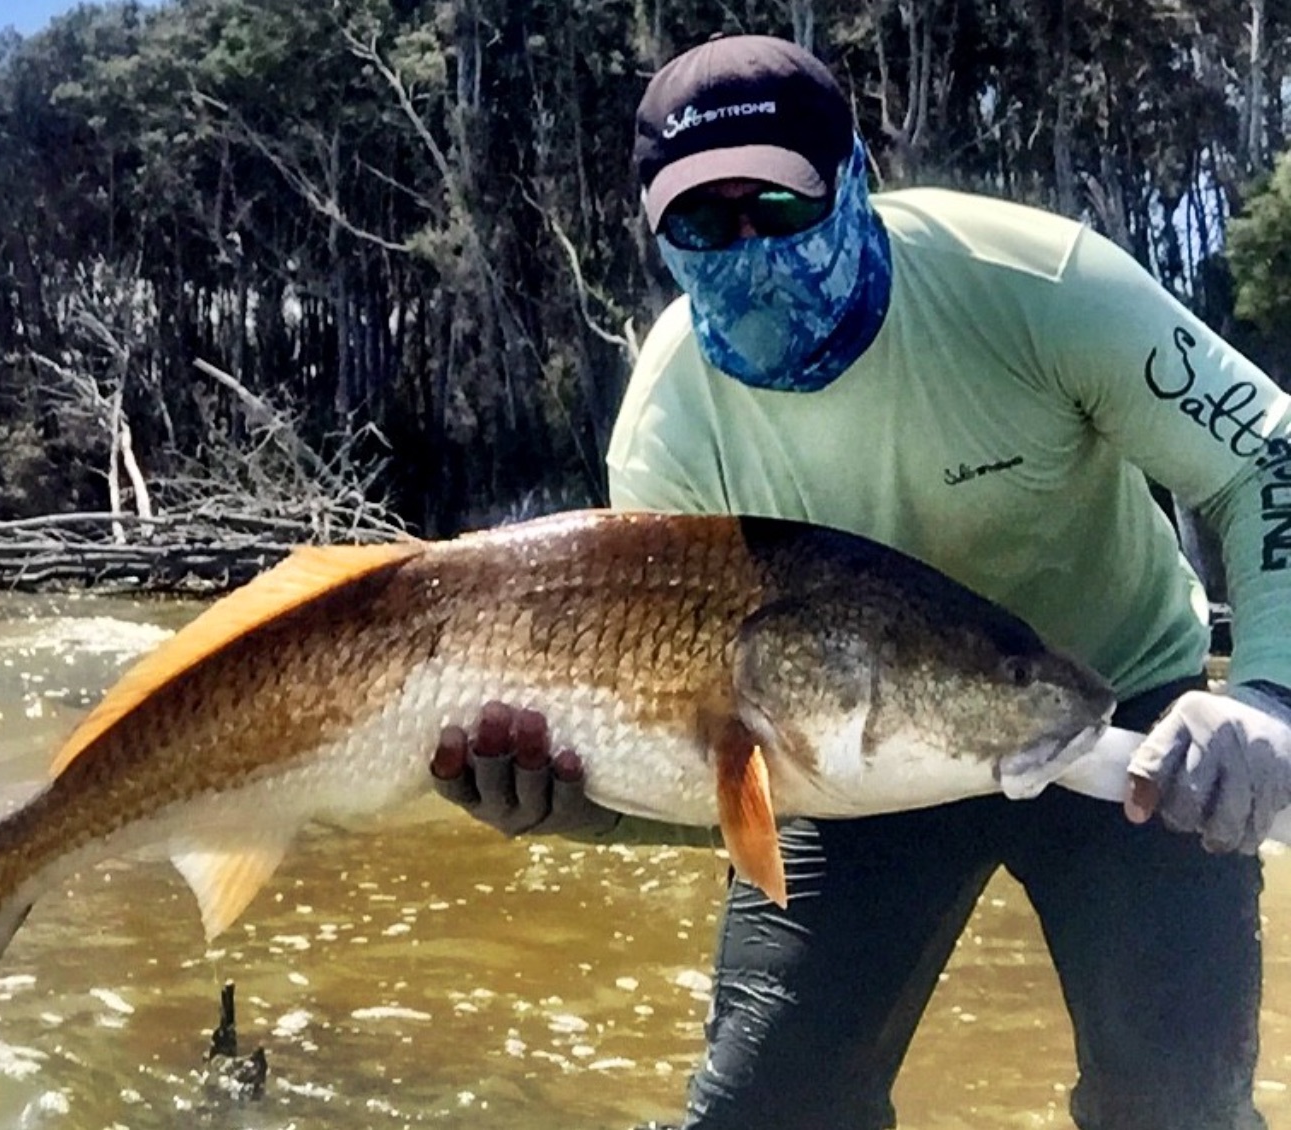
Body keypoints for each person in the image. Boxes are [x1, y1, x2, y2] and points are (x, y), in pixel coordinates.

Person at [428, 34, 1291, 1130]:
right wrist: (584, 809)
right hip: (842, 766)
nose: (747, 247)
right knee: (766, 1110)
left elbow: (1264, 459)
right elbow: (712, 757)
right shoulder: (668, 430)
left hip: (1119, 720)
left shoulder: (1035, 286)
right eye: (702, 224)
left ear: (854, 181)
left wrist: (1268, 692)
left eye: (779, 206)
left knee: (1175, 1107)